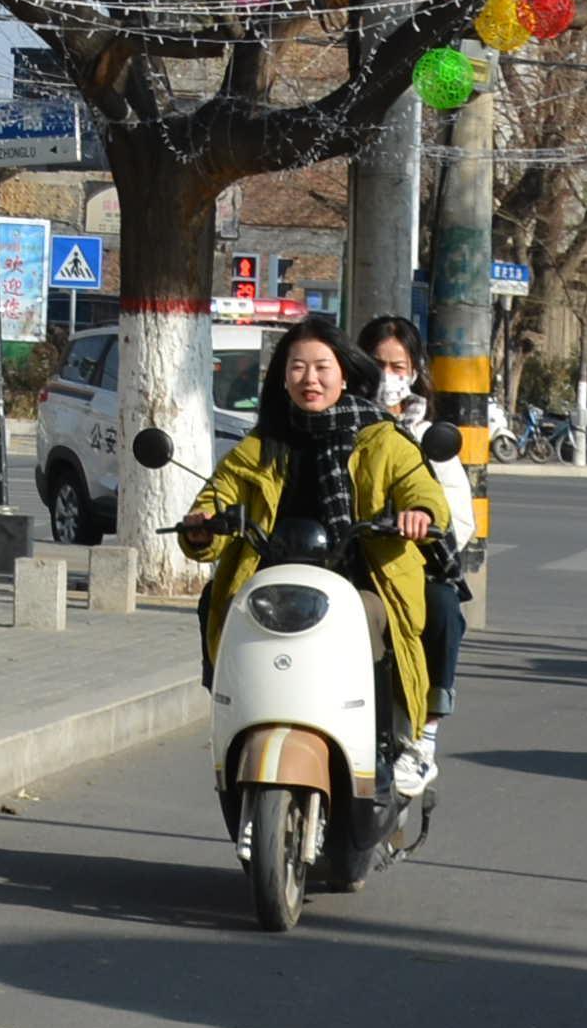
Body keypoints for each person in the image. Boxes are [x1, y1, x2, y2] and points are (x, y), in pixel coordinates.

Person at [174, 323, 455, 793]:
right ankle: (233, 709)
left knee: (367, 618)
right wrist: (202, 526)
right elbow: (218, 495)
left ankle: (388, 738)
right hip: (275, 585)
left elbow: (421, 489)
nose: (310, 379)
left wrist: (419, 513)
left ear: (344, 375)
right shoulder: (258, 448)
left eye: (322, 367)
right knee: (217, 603)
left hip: (361, 583)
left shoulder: (383, 440)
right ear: (282, 378)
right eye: (298, 367)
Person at [354, 310, 472, 725]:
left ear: (415, 371)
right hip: (344, 559)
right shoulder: (336, 423)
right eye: (376, 364)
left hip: (411, 563)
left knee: (442, 606)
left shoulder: (424, 435)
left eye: (397, 366)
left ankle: (429, 725)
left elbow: (457, 513)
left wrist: (421, 520)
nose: (386, 376)